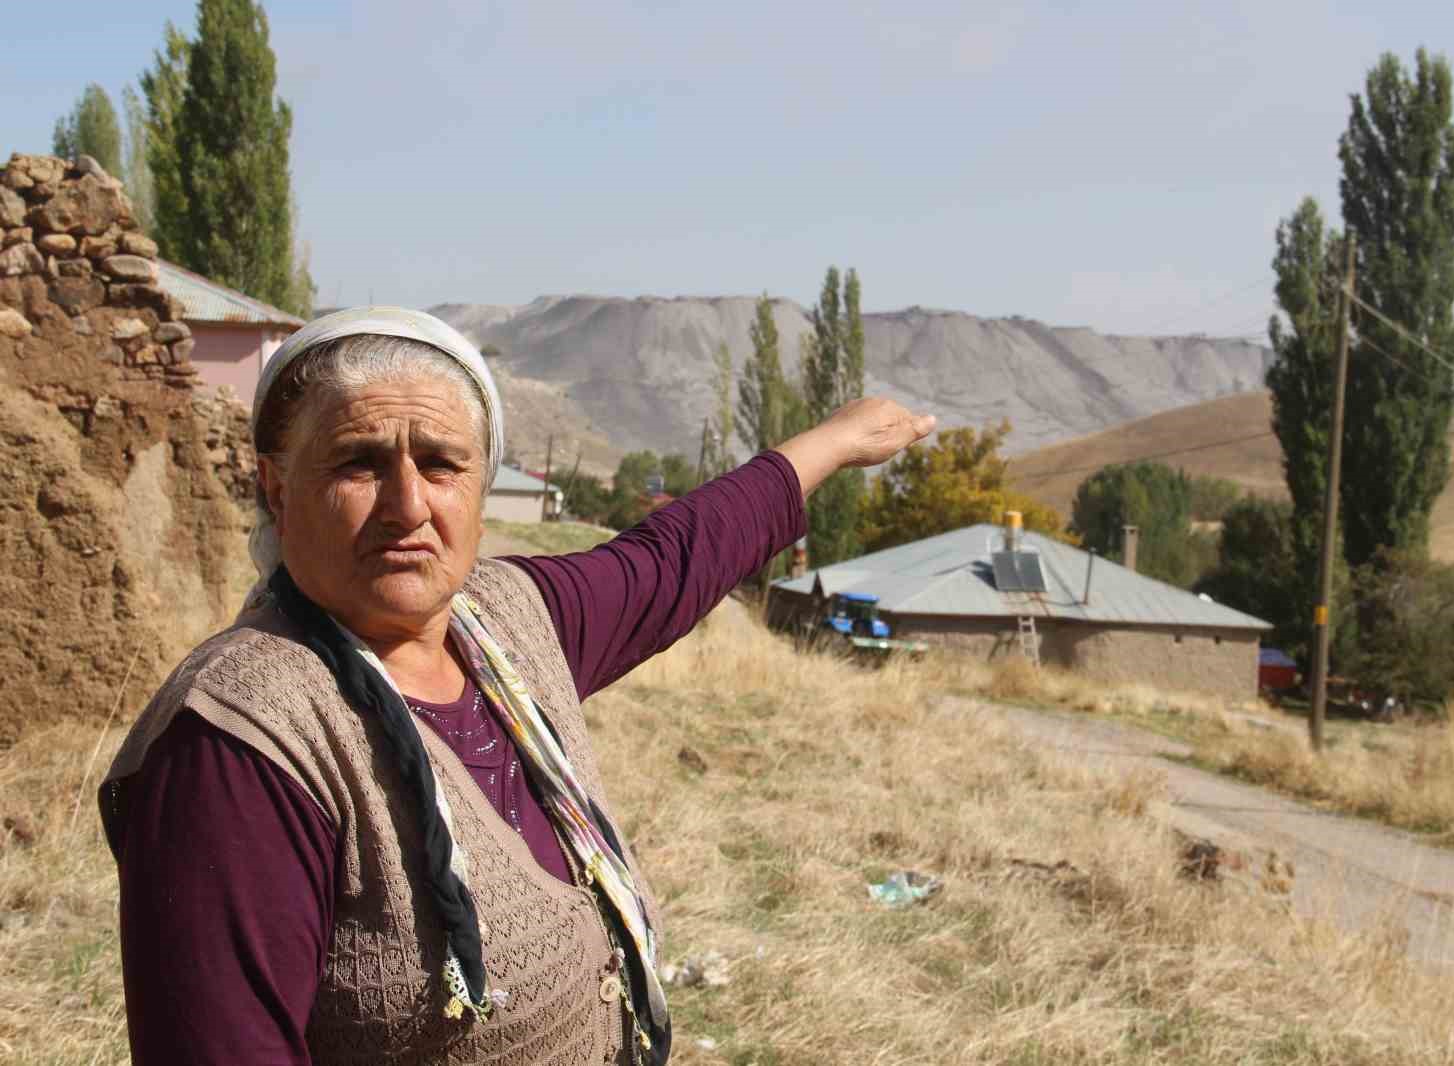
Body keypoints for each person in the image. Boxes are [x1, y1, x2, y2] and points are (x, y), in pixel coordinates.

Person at [98, 307, 934, 1066]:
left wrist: (832, 443)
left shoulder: (506, 622)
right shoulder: (240, 744)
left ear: (481, 485)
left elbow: (672, 560)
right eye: (358, 463)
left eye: (441, 463)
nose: (407, 505)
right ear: (277, 489)